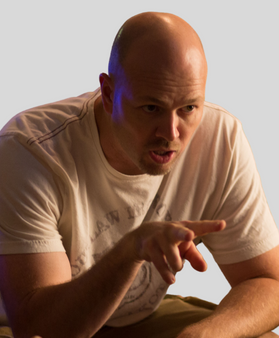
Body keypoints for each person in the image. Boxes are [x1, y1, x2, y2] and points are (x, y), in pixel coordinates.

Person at [0, 11, 279, 338]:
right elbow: (41, 327)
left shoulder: (221, 140)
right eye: (151, 108)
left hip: (138, 318)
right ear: (107, 93)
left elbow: (268, 283)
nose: (171, 133)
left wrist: (205, 335)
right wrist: (130, 251)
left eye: (189, 108)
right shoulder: (29, 150)